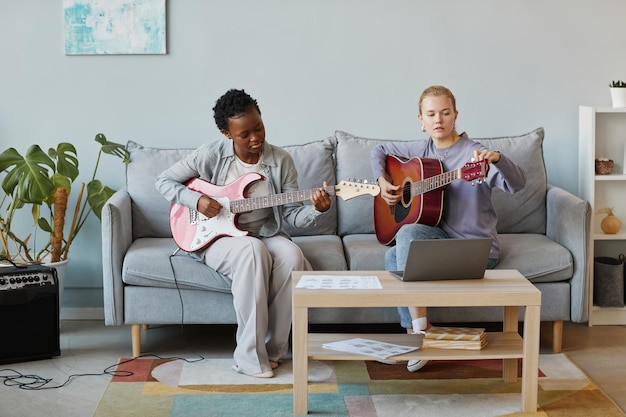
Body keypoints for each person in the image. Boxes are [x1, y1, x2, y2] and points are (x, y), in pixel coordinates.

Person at [156, 89, 331, 378]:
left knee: (291, 255)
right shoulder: (210, 154)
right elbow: (163, 181)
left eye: (259, 127)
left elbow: (292, 216)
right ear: (227, 133)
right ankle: (248, 357)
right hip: (216, 238)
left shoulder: (281, 160)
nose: (255, 138)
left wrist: (317, 210)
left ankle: (274, 350)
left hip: (264, 232)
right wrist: (195, 200)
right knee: (252, 251)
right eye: (244, 134)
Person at [370, 85, 527, 372]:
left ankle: (418, 334)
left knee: (405, 236)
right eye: (431, 114)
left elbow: (518, 184)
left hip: (474, 248)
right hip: (439, 241)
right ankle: (416, 336)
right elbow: (378, 150)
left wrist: (498, 159)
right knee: (391, 258)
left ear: (456, 116)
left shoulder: (474, 155)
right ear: (421, 119)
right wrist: (382, 181)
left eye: (445, 113)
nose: (438, 120)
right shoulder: (421, 151)